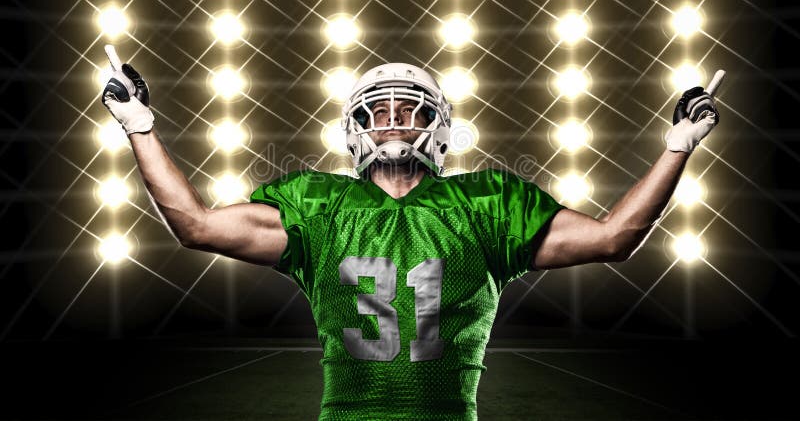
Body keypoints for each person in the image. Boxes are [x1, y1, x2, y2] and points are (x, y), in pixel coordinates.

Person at [101, 58, 720, 420]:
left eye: (413, 109)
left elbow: (614, 239)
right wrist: (141, 127)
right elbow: (195, 225)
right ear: (356, 126)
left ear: (439, 126)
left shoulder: (488, 204)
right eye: (381, 109)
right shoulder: (317, 205)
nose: (396, 119)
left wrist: (677, 146)